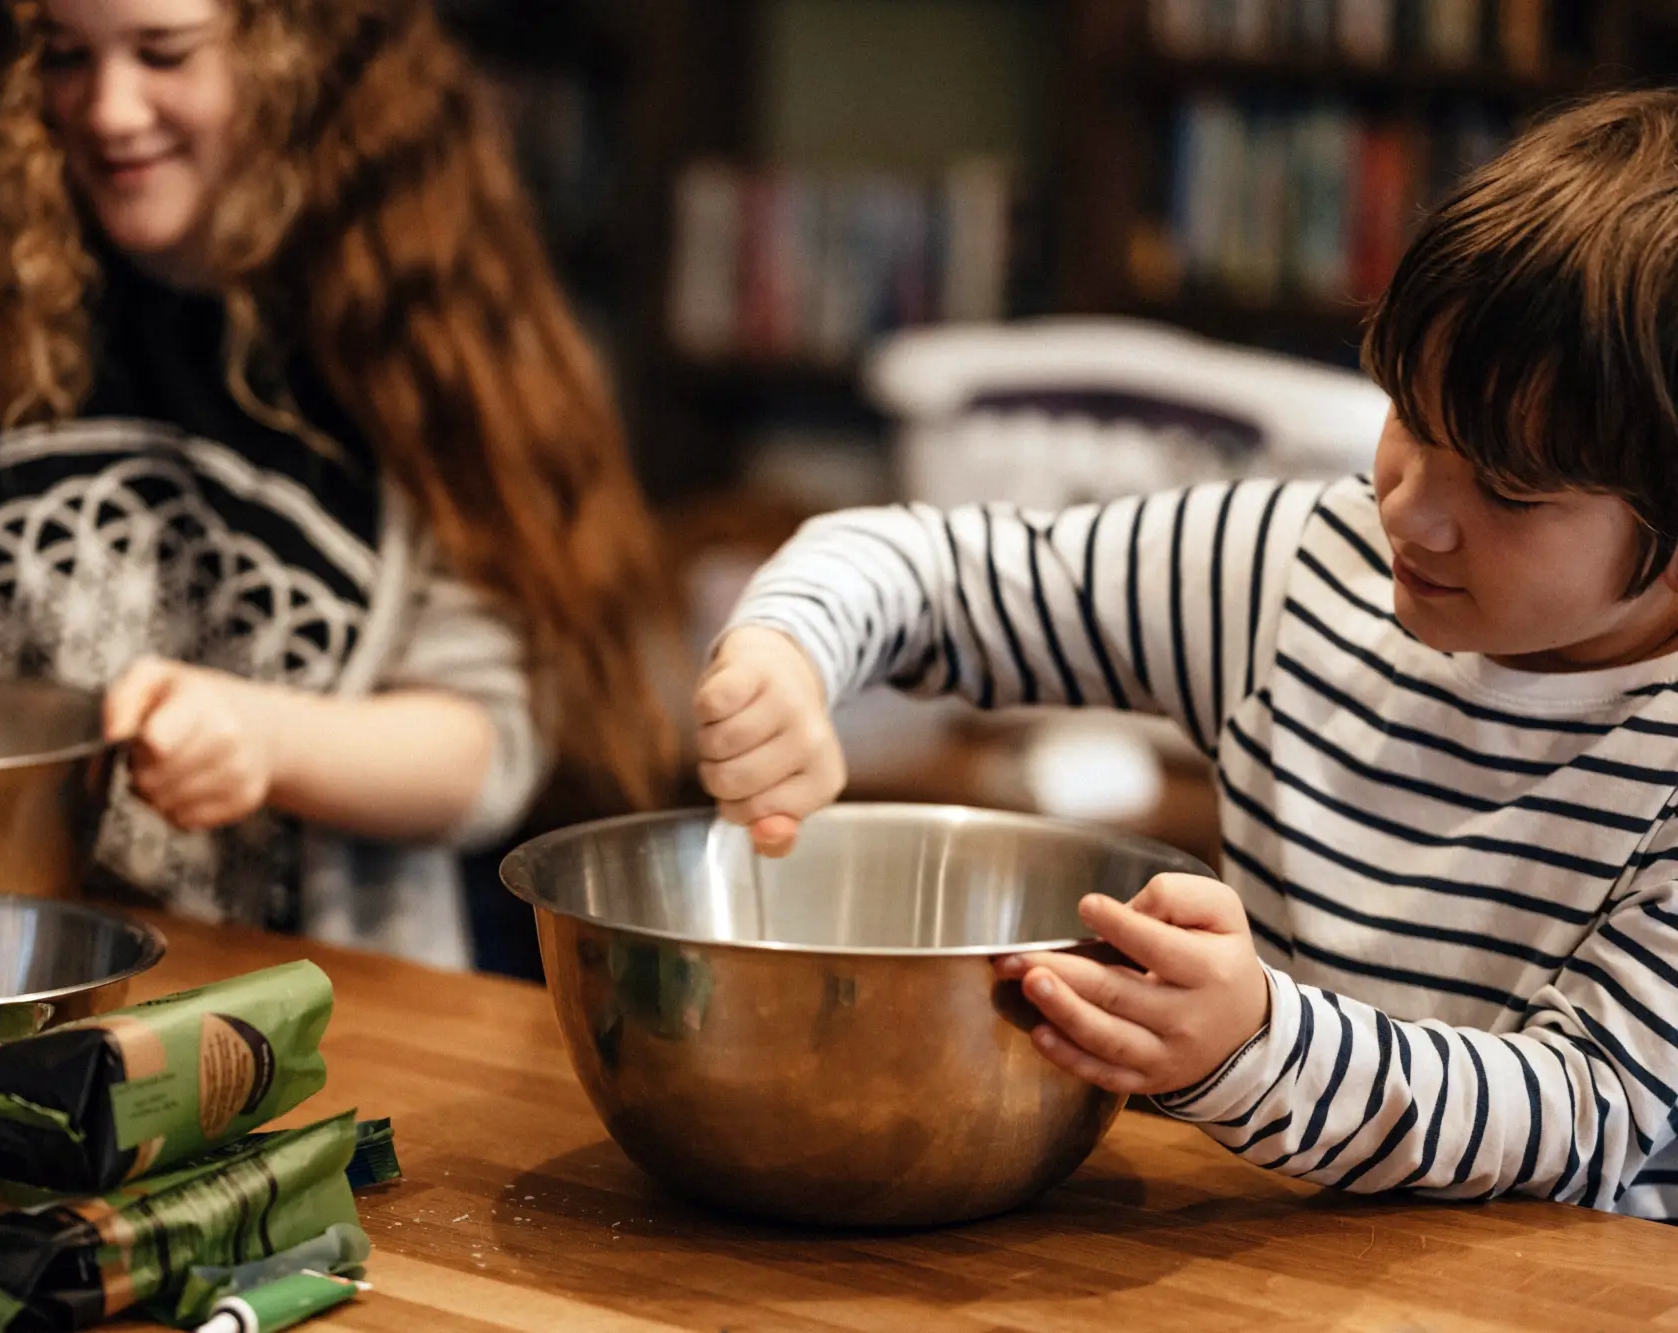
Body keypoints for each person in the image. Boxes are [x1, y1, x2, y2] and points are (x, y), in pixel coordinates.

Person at [695, 90, 1678, 1217]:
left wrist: (1256, 1041)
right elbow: (927, 570)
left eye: (1506, 490)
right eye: (1410, 415)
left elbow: (1585, 1116)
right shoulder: (1293, 568)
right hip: (1284, 1265)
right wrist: (786, 651)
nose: (1410, 513)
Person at [0, 0, 672, 958]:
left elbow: (485, 748)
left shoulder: (417, 331)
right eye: (62, 53)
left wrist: (264, 738)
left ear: (294, 53)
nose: (106, 110)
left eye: (164, 52)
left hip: (297, 1027)